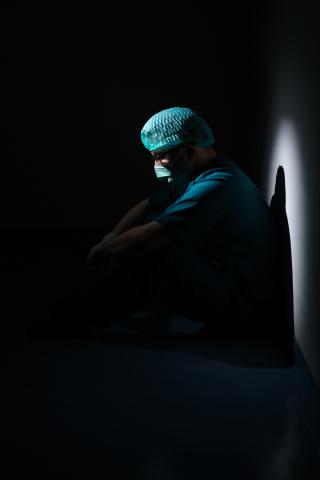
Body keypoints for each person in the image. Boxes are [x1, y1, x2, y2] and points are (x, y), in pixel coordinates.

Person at [27, 107, 281, 338]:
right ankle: (83, 301)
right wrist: (110, 237)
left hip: (242, 307)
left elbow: (149, 238)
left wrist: (103, 252)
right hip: (221, 272)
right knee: (150, 225)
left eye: (160, 157)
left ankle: (75, 315)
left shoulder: (217, 185)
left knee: (156, 256)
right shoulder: (207, 171)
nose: (157, 165)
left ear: (188, 151)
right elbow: (147, 205)